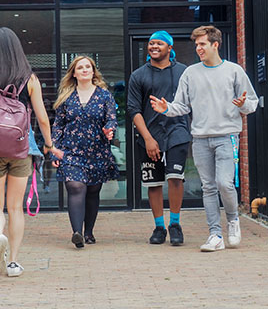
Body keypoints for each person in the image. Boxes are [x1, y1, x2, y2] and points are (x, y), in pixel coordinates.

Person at [150, 25, 258, 252]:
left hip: (227, 136)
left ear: (215, 44)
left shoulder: (234, 71)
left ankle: (232, 219)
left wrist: (243, 105)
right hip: (200, 139)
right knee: (208, 187)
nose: (198, 48)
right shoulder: (190, 73)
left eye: (202, 44)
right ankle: (215, 235)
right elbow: (181, 106)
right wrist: (165, 108)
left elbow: (252, 103)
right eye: (196, 44)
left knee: (224, 184)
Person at [0, 27, 63, 277]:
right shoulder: (29, 78)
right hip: (22, 147)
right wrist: (49, 145)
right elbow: (42, 117)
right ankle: (13, 263)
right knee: (16, 208)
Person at [128, 31, 191, 246]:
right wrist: (147, 138)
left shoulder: (184, 72)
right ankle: (159, 227)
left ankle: (175, 225)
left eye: (159, 43)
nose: (154, 46)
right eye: (151, 43)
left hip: (178, 131)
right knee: (153, 183)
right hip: (149, 134)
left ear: (170, 48)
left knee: (175, 177)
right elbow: (133, 109)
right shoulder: (138, 75)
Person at [51, 56, 119, 248]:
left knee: (92, 191)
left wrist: (109, 129)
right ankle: (77, 233)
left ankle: (89, 232)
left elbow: (112, 119)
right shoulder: (66, 97)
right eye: (80, 67)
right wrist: (53, 150)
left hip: (97, 152)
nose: (84, 70)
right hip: (71, 152)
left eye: (88, 67)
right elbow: (58, 126)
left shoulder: (104, 96)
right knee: (75, 187)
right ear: (74, 73)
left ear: (93, 71)